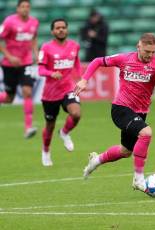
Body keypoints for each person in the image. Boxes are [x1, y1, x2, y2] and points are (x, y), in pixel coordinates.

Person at [75, 33, 155, 193]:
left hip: (140, 112)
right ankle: (138, 180)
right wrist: (85, 79)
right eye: (147, 52)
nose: (150, 55)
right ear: (138, 47)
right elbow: (97, 61)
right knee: (146, 133)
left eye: (153, 52)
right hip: (121, 109)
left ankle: (96, 160)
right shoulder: (124, 59)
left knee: (125, 151)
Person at [37, 18, 82, 166]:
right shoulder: (46, 48)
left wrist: (81, 79)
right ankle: (46, 151)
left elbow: (76, 64)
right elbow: (40, 69)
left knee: (76, 113)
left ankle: (64, 132)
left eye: (63, 27)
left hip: (68, 88)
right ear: (52, 31)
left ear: (67, 30)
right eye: (57, 28)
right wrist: (51, 73)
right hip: (50, 94)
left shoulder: (75, 46)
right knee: (49, 126)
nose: (61, 30)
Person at [0, 0, 39, 138]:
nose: (25, 9)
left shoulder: (34, 22)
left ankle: (28, 127)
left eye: (28, 6)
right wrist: (10, 57)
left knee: (27, 92)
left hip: (26, 63)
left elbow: (34, 38)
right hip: (9, 64)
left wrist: (35, 53)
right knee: (9, 98)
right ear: (17, 9)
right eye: (22, 6)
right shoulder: (9, 22)